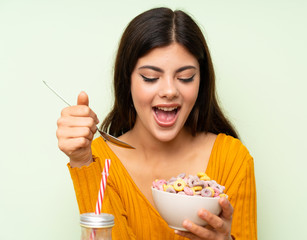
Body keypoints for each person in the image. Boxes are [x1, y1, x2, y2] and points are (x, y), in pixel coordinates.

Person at [56, 7, 257, 240]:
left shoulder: (231, 159)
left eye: (185, 78)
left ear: (201, 81)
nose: (170, 91)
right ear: (127, 80)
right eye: (150, 77)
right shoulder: (99, 160)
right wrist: (82, 162)